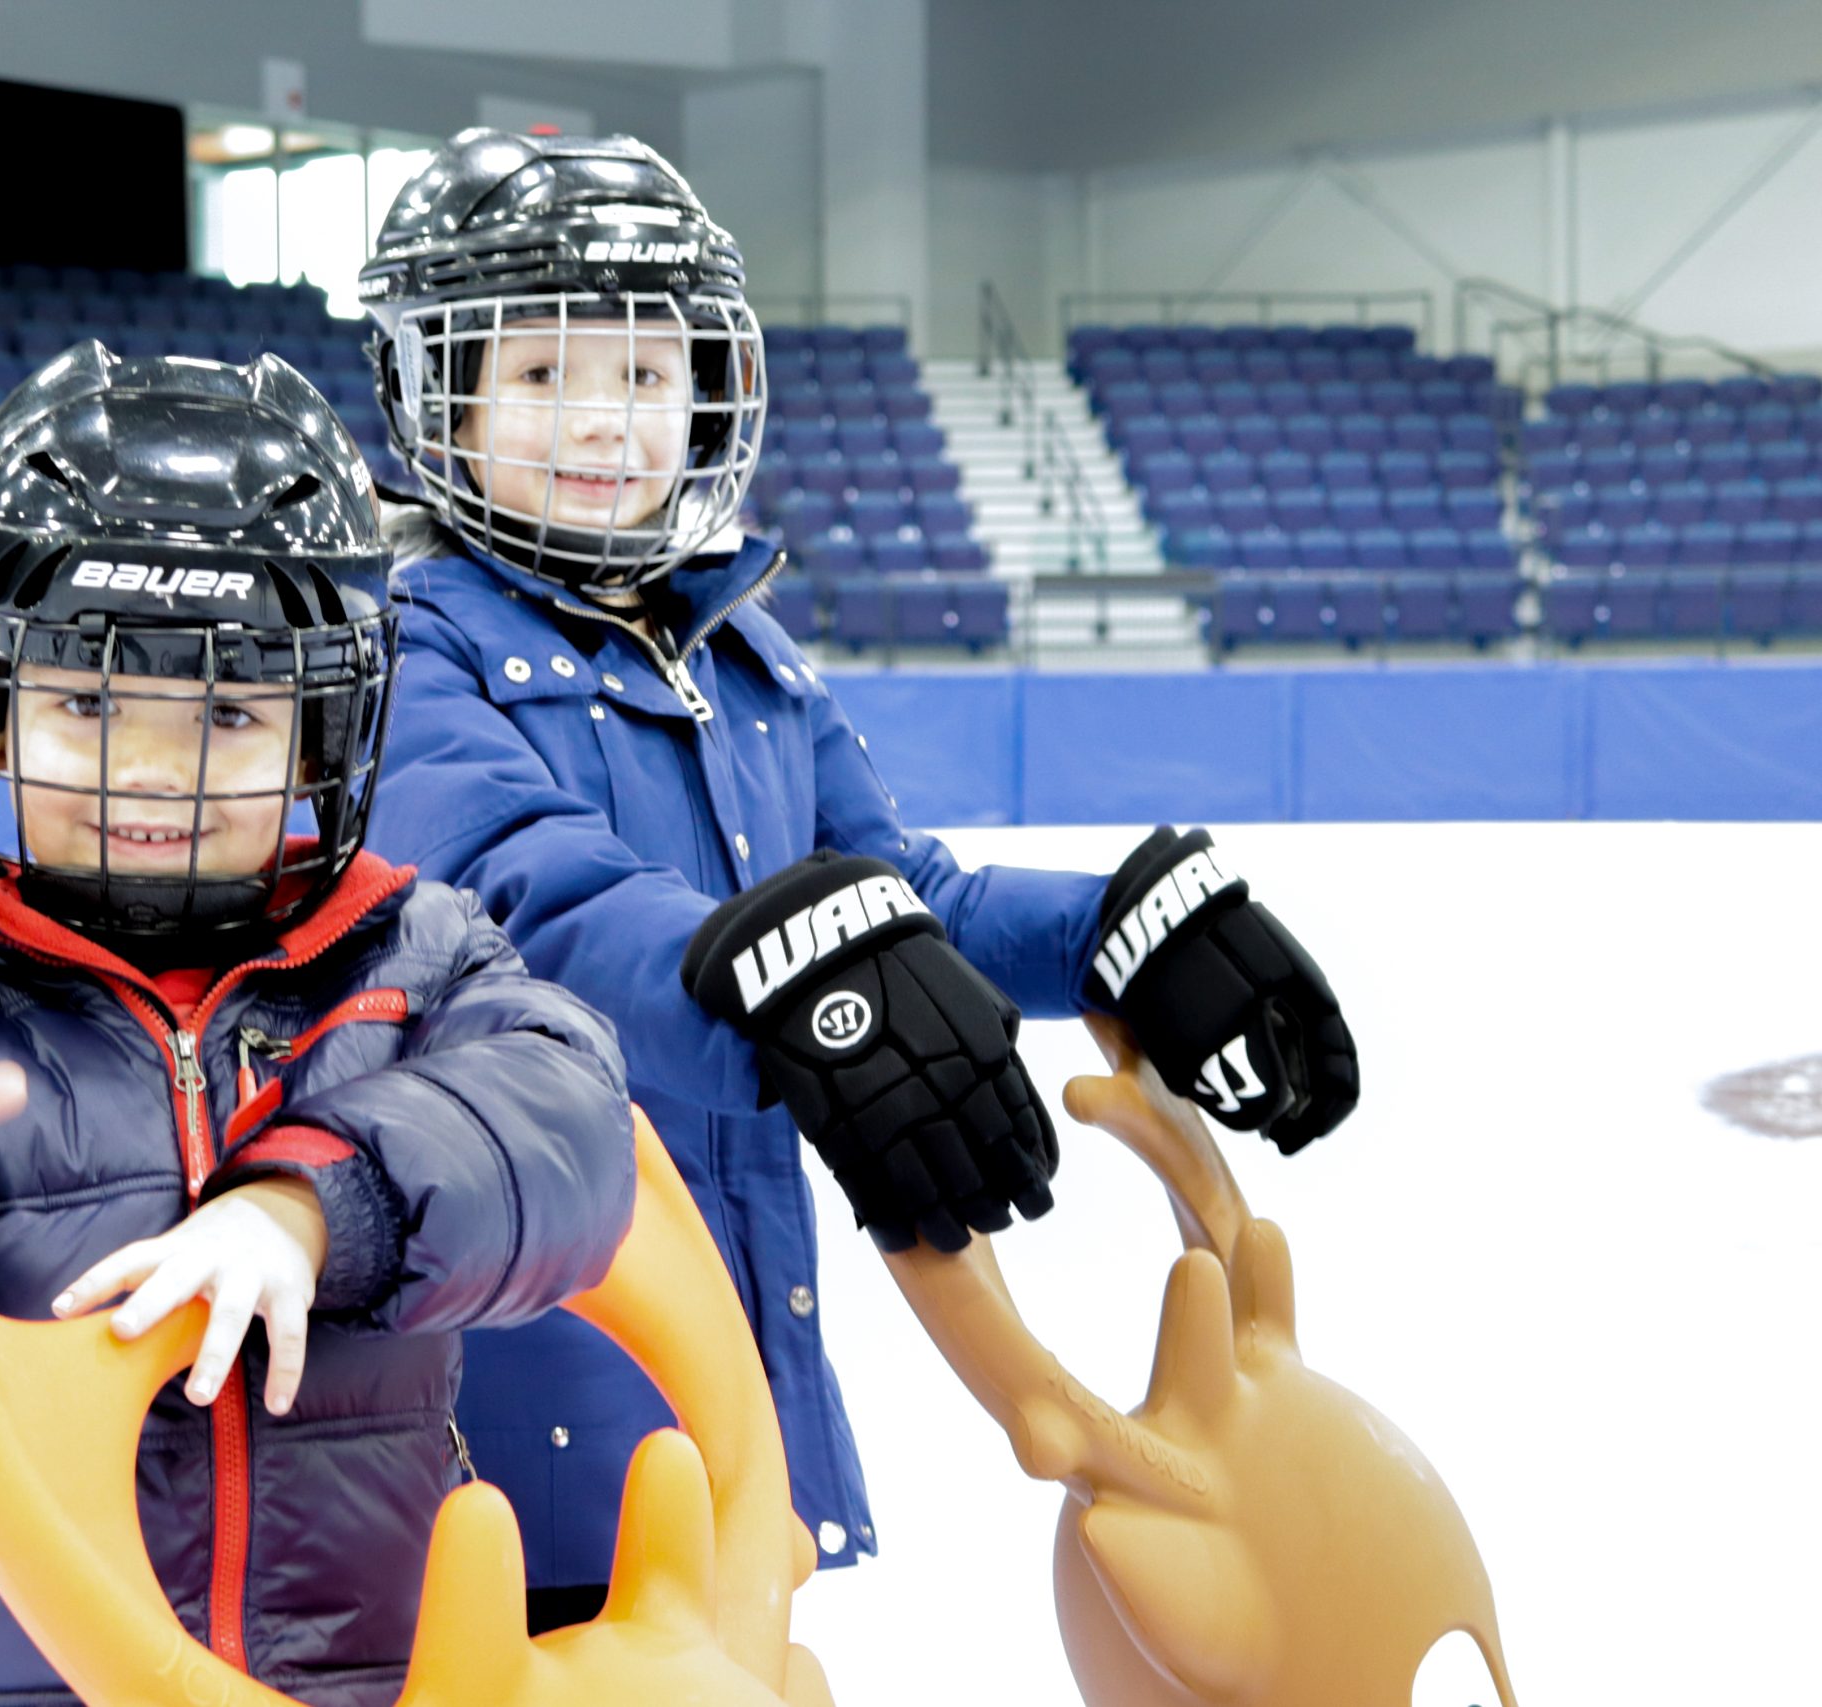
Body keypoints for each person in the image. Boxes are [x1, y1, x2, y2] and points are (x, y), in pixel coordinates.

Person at [357, 129, 1360, 1629]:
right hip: (520, 1428)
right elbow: (520, 895)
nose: (608, 424)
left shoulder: (744, 659)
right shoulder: (409, 653)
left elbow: (904, 899)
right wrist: (783, 973)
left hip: (744, 1403)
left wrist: (1120, 932)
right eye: (546, 373)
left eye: (646, 375)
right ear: (439, 396)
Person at [0, 346, 637, 1707]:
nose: (154, 769)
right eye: (88, 703)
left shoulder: (417, 963)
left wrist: (320, 1207)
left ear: (326, 732)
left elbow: (572, 1133)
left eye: (226, 710)